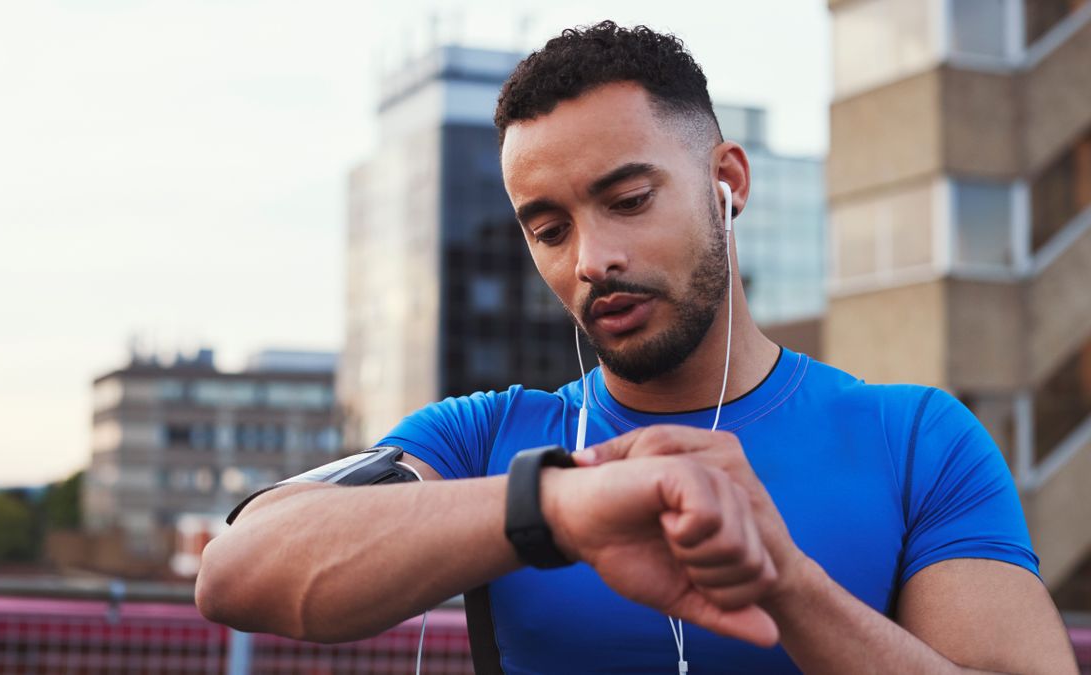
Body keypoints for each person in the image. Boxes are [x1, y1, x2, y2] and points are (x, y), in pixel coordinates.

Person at [195, 21, 1078, 674]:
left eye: (627, 199)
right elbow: (237, 570)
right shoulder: (490, 440)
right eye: (548, 229)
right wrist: (564, 506)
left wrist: (786, 583)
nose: (591, 259)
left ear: (726, 182)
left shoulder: (913, 437)